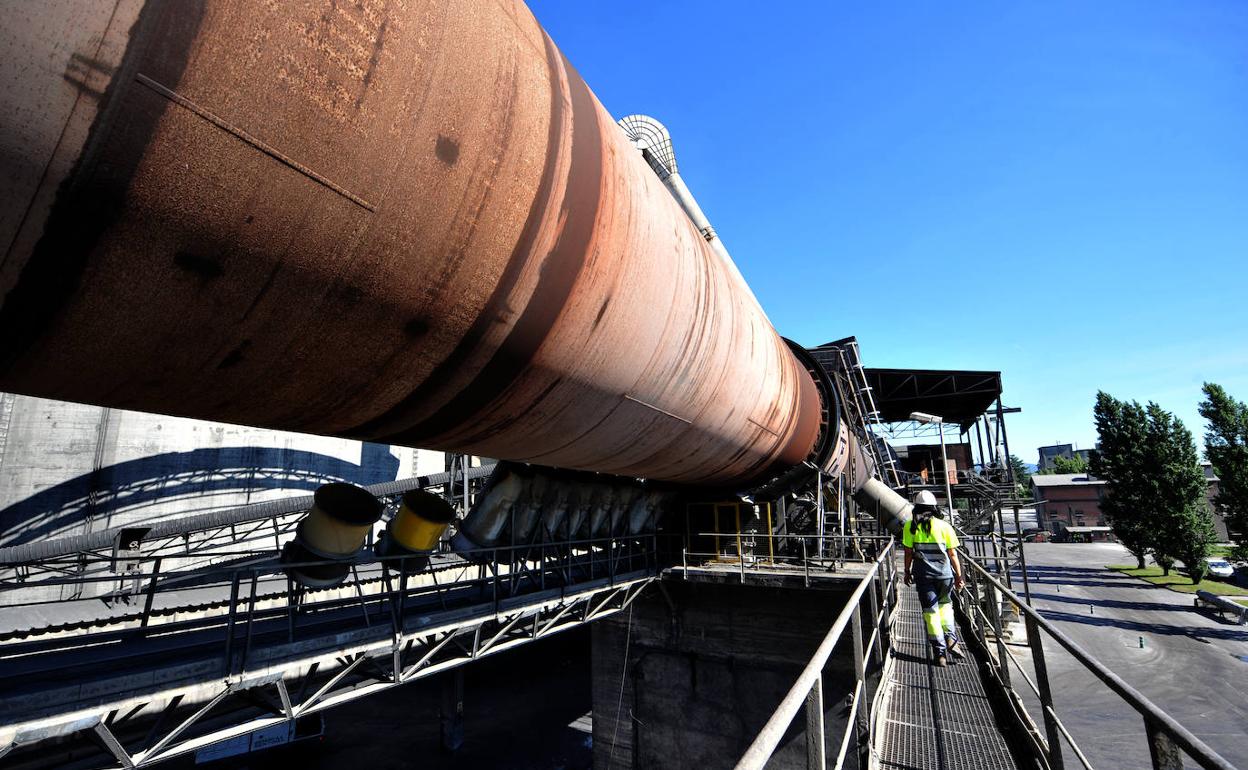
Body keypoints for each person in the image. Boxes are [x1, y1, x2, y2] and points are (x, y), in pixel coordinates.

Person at [902, 490, 965, 667]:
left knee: (931, 613)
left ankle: (940, 652)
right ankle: (951, 639)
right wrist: (959, 576)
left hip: (924, 576)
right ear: (934, 507)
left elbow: (908, 553)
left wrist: (907, 571)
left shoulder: (910, 527)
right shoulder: (945, 527)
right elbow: (953, 554)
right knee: (946, 607)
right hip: (945, 575)